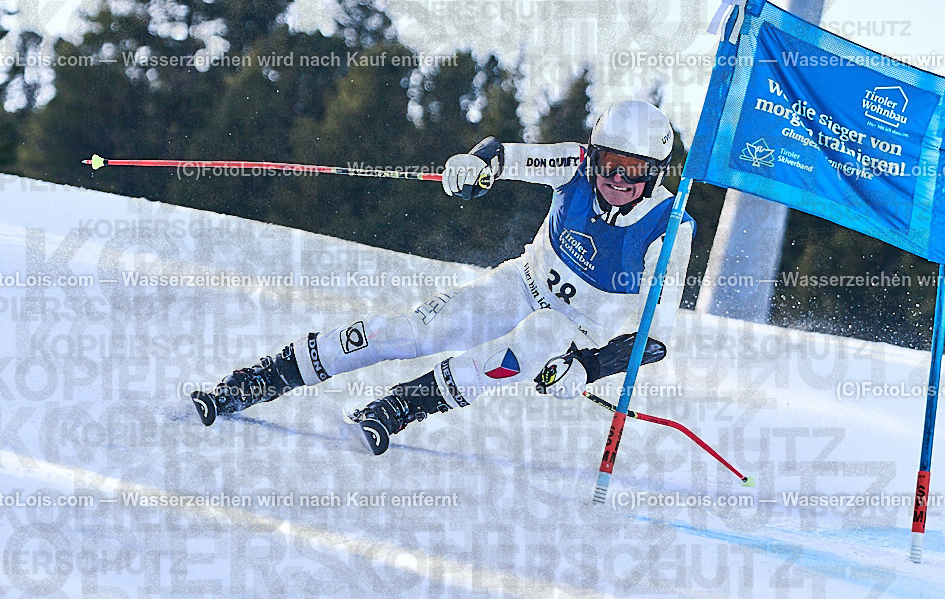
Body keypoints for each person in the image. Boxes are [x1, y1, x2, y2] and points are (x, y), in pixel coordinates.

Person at [191, 99, 696, 455]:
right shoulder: (575, 165)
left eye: (632, 170)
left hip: (575, 328)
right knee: (417, 331)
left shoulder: (668, 229)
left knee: (532, 344)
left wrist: (588, 367)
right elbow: (504, 155)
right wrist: (472, 166)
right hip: (521, 283)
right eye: (609, 163)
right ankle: (264, 377)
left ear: (654, 173)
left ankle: (400, 407)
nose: (615, 180)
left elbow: (656, 340)